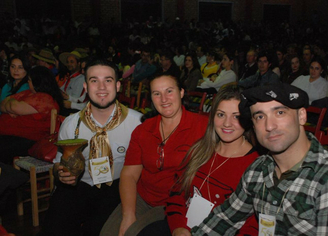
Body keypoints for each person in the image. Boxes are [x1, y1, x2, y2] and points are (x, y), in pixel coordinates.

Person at [191, 83, 328, 235]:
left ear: (301, 116)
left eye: (280, 112)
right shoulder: (258, 170)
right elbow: (224, 219)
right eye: (260, 117)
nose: (269, 126)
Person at [138, 85, 259, 236]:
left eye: (236, 116)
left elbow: (253, 225)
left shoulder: (255, 167)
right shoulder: (199, 149)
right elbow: (177, 193)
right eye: (221, 115)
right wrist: (178, 227)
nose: (227, 123)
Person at [40, 59, 142, 236]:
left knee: (96, 230)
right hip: (81, 185)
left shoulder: (138, 123)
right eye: (94, 80)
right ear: (86, 87)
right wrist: (62, 174)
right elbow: (58, 164)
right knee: (53, 226)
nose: (101, 87)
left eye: (108, 80)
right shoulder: (71, 124)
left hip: (118, 189)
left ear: (118, 86)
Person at [100, 74, 208, 236]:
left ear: (181, 93)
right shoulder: (143, 130)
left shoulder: (202, 127)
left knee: (133, 233)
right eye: (156, 93)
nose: (163, 99)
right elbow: (129, 174)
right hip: (142, 197)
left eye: (169, 91)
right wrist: (128, 214)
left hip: (175, 204)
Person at [0, 66, 62, 164]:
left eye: (29, 80)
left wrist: (11, 104)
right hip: (12, 136)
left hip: (29, 140)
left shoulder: (45, 98)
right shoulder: (29, 93)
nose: (28, 83)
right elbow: (3, 104)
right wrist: (10, 105)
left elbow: (13, 106)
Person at [58, 50, 86, 115]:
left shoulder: (81, 79)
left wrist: (67, 97)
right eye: (68, 62)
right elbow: (62, 90)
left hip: (73, 111)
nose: (69, 64)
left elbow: (77, 99)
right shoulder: (71, 77)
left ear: (78, 63)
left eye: (72, 62)